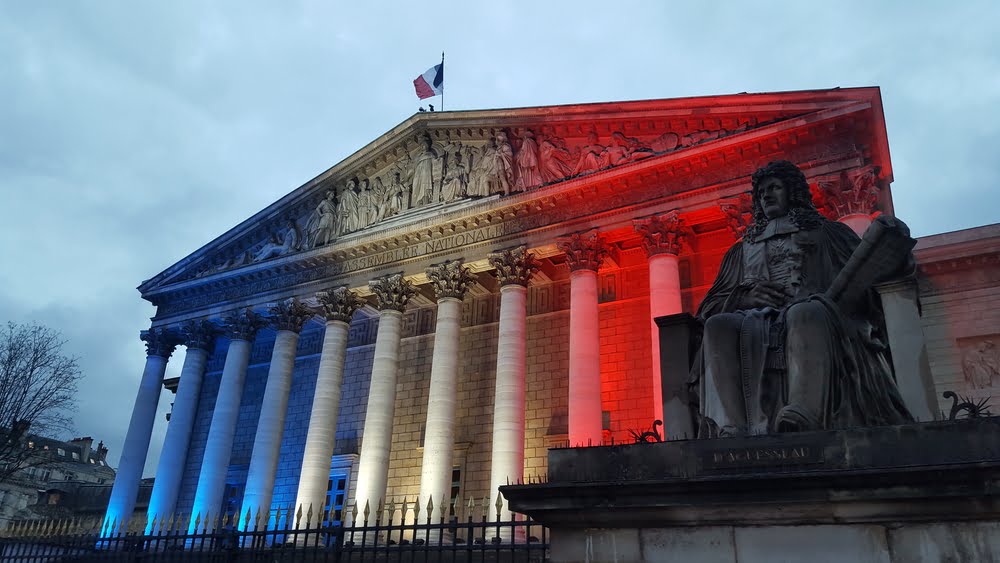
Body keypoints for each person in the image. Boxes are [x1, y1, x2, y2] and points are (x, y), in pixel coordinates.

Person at [693, 160, 912, 436]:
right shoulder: (741, 250)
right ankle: (733, 425)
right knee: (718, 325)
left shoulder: (828, 233)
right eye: (761, 193)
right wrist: (743, 298)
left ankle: (803, 412)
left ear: (792, 191)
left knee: (805, 312)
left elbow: (871, 278)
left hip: (818, 315)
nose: (766, 196)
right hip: (758, 320)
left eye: (774, 188)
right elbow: (710, 307)